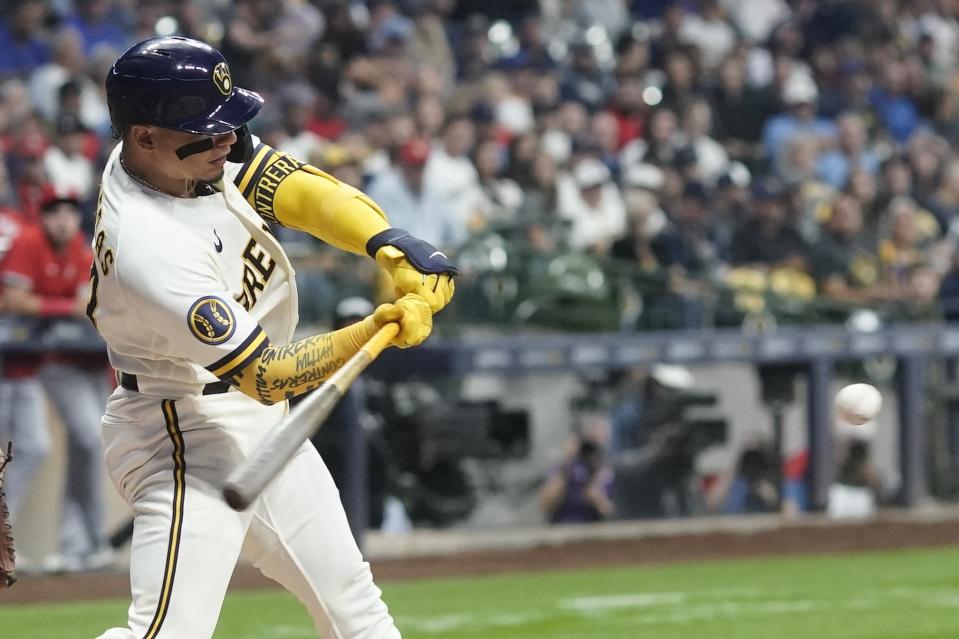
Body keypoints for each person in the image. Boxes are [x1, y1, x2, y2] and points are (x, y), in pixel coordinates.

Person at [91, 37, 455, 639]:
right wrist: (377, 328)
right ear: (143, 135)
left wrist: (384, 239)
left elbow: (286, 185)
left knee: (354, 608)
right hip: (181, 432)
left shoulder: (181, 156)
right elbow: (263, 375)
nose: (227, 141)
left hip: (253, 421)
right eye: (206, 131)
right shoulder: (146, 245)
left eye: (227, 125)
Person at [1, 191, 112, 573]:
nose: (63, 220)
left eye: (69, 213)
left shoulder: (81, 250)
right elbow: (13, 300)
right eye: (54, 213)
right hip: (20, 365)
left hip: (42, 366)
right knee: (38, 446)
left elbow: (93, 305)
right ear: (42, 217)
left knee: (49, 445)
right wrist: (67, 308)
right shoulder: (29, 242)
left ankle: (76, 545)